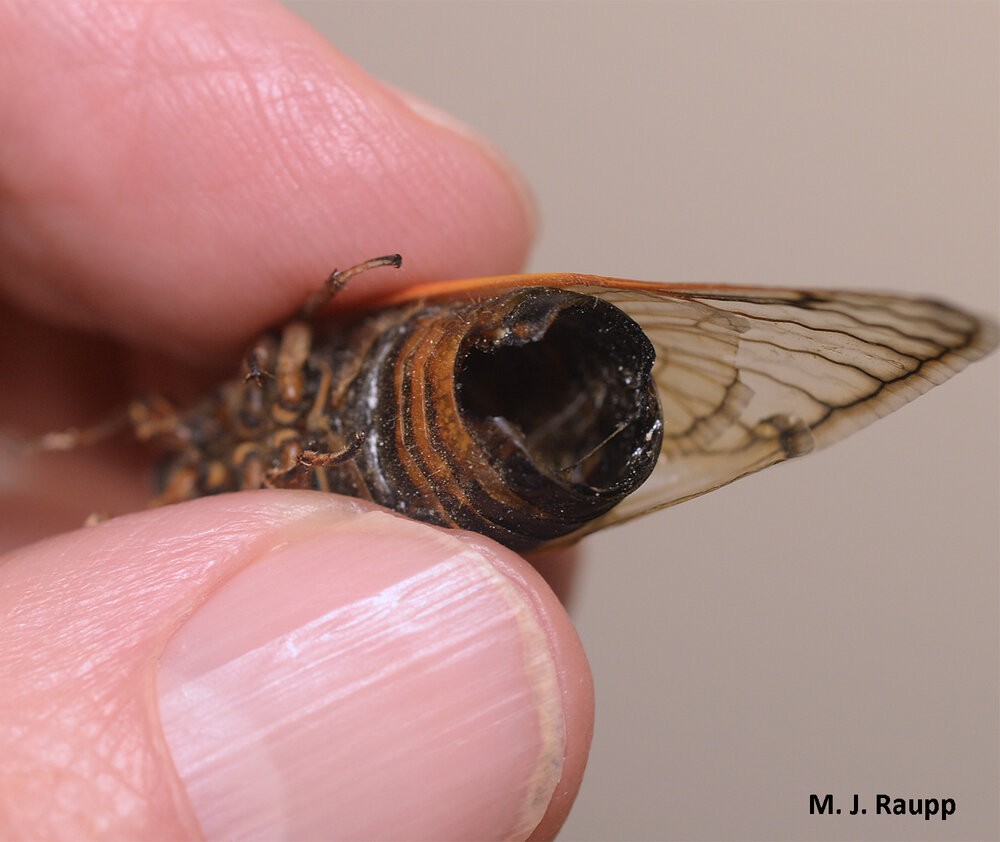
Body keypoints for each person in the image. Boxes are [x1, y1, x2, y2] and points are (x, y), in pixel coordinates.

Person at [0, 3, 593, 839]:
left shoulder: (236, 395)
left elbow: (289, 341)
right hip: (353, 468)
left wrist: (335, 295)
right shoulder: (209, 469)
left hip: (368, 402)